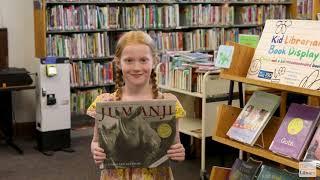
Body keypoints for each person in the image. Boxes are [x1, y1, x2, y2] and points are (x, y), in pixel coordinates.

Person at [87, 31, 186, 179]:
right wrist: (96, 150)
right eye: (129, 61)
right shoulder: (106, 103)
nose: (136, 67)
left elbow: (174, 147)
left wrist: (178, 153)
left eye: (143, 60)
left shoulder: (167, 103)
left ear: (154, 61)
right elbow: (96, 142)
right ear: (118, 63)